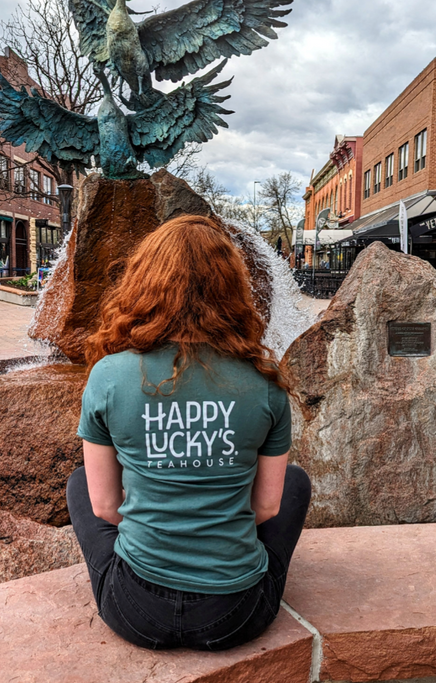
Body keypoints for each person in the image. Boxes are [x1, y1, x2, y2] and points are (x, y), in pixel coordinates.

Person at [66, 215, 311, 651]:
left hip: (134, 610)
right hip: (236, 615)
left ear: (141, 283)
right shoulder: (265, 383)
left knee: (79, 483)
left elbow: (105, 508)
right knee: (294, 483)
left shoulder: (108, 376)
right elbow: (267, 508)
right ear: (232, 289)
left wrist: (161, 529)